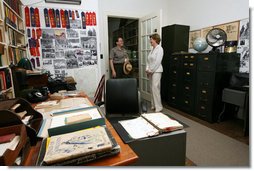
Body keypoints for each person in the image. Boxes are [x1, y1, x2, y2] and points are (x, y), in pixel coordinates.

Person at [146, 33, 163, 112]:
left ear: (155, 40)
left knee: (155, 88)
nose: (150, 41)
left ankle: (159, 107)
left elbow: (157, 62)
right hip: (150, 72)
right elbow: (148, 61)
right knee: (151, 88)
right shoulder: (152, 50)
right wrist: (147, 69)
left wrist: (151, 70)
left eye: (151, 39)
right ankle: (153, 105)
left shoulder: (160, 49)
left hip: (156, 71)